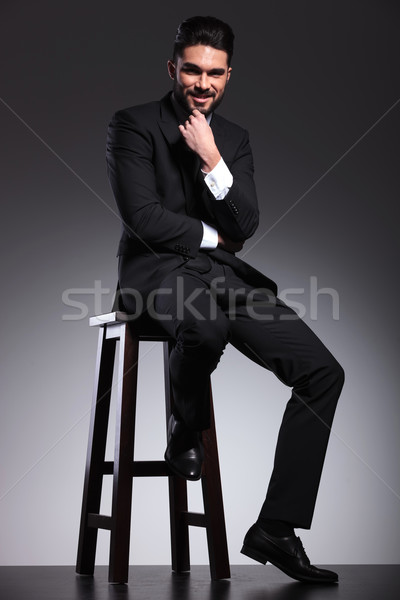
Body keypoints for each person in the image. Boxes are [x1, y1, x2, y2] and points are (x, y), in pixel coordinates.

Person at [106, 15, 344, 584]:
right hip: (156, 277)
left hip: (222, 278)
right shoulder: (133, 126)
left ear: (228, 75)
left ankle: (278, 528)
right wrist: (215, 235)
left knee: (323, 372)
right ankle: (184, 427)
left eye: (214, 73)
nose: (202, 83)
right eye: (192, 70)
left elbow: (250, 222)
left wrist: (212, 159)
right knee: (204, 328)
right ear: (173, 69)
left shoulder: (232, 139)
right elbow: (143, 218)